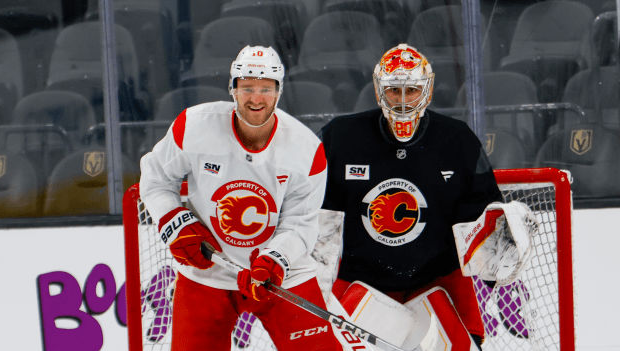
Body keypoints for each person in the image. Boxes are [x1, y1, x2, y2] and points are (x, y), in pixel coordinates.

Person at [139, 45, 342, 351]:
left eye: (265, 88)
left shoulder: (307, 151)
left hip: (281, 275)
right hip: (208, 270)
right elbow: (155, 178)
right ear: (232, 89)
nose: (256, 98)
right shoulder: (194, 126)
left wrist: (275, 260)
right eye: (246, 87)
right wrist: (176, 223)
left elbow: (301, 223)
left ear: (279, 91)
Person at [320, 44, 504, 347]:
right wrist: (315, 281)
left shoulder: (457, 141)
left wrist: (496, 258)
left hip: (438, 279)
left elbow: (480, 217)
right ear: (379, 90)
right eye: (394, 90)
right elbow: (317, 217)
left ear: (427, 91)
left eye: (411, 90)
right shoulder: (339, 139)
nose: (403, 102)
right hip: (360, 281)